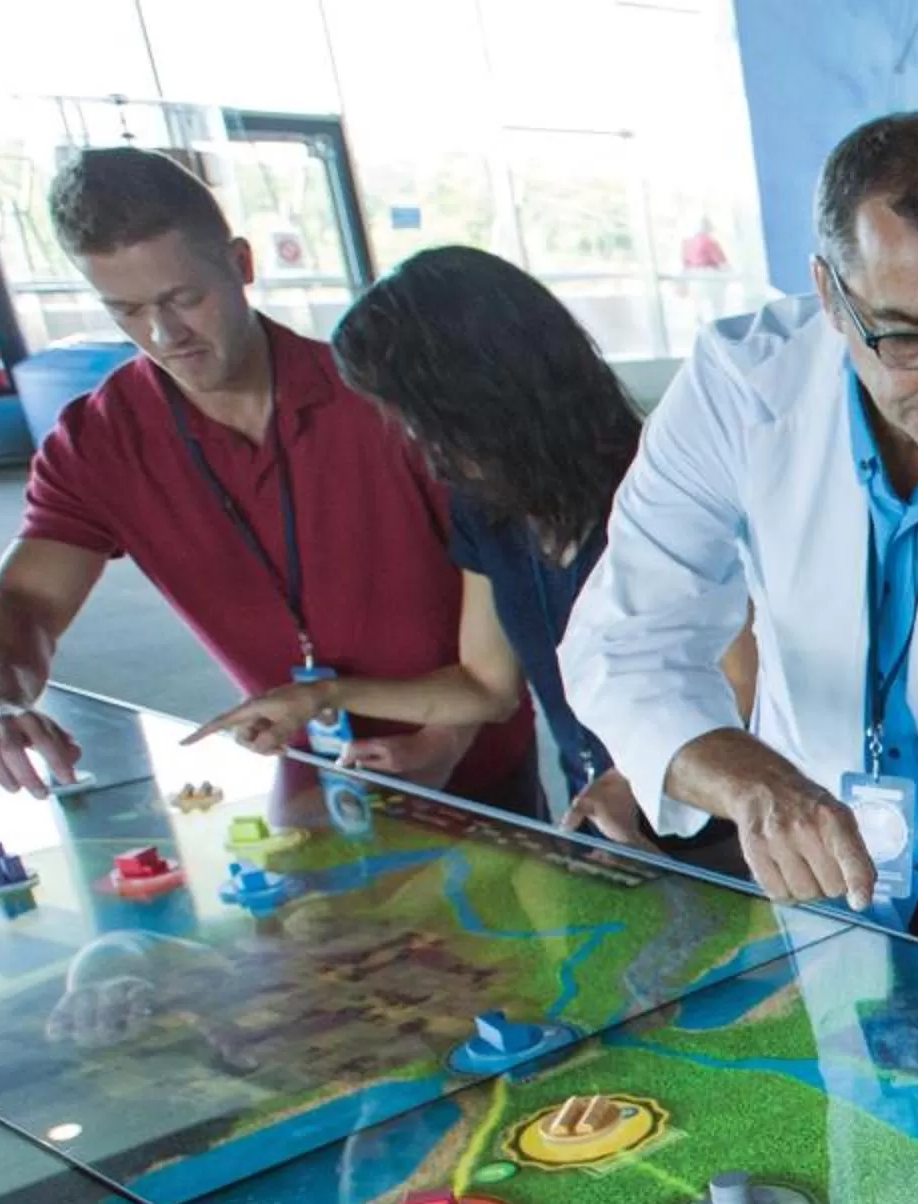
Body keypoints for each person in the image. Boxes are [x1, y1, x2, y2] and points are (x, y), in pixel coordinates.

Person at [559, 113, 918, 949]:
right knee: (850, 1064)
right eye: (907, 337)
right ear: (832, 298)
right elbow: (624, 644)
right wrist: (752, 784)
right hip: (828, 861)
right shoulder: (740, 390)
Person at [0, 148, 536, 811]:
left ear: (241, 264)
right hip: (298, 775)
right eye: (127, 311)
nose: (164, 334)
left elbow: (502, 584)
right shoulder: (98, 440)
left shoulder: (390, 399)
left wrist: (443, 741)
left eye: (183, 298)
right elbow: (23, 601)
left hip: (473, 769)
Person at [182, 247, 755, 840]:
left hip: (720, 825)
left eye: (416, 416)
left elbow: (741, 684)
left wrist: (635, 775)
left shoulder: (663, 495)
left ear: (481, 397)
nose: (414, 440)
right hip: (606, 824)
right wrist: (322, 697)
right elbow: (487, 685)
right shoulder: (490, 512)